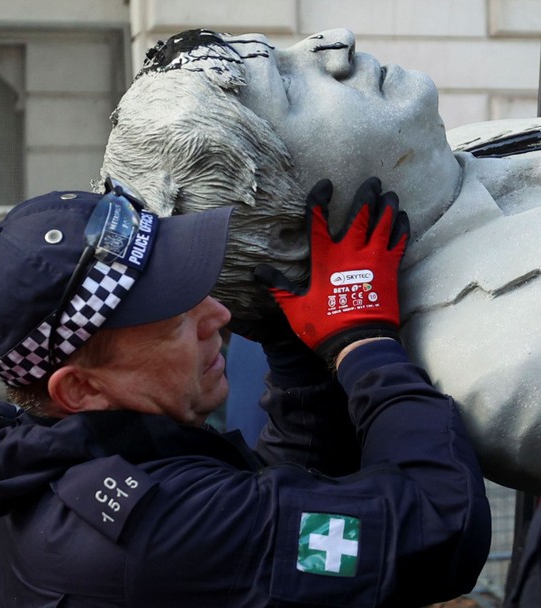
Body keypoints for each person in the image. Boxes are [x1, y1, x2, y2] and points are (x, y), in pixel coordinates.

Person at [0, 176, 491, 608]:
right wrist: (365, 345)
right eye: (175, 320)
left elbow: (267, 500)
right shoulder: (163, 530)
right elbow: (440, 524)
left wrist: (293, 355)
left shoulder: (61, 459)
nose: (217, 316)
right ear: (80, 388)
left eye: (198, 294)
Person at [100, 27, 541, 494]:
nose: (335, 42)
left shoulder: (466, 145)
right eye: (287, 86)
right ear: (291, 234)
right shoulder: (509, 375)